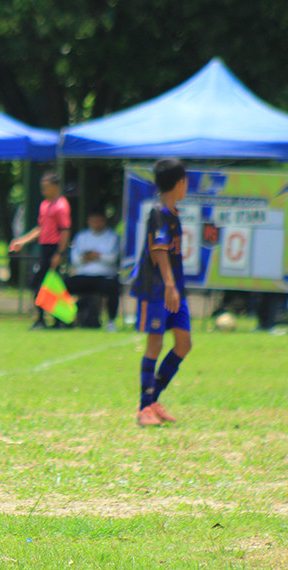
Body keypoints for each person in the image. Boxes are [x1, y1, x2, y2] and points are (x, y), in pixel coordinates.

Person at [131, 159, 191, 427]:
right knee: (155, 343)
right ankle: (144, 407)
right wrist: (168, 285)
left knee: (183, 343)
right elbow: (158, 251)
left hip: (175, 288)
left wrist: (175, 286)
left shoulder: (173, 213)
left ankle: (153, 399)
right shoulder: (157, 213)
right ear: (180, 183)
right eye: (186, 180)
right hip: (157, 290)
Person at [8, 171, 72, 328]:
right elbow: (40, 228)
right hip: (44, 247)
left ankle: (51, 319)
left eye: (46, 187)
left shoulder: (61, 206)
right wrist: (22, 241)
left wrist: (59, 253)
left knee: (48, 284)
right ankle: (49, 319)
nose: (43, 191)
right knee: (42, 283)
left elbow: (65, 230)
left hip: (54, 248)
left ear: (55, 187)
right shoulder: (44, 205)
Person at [66, 208, 120, 330]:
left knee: (113, 287)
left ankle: (111, 321)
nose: (96, 224)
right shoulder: (81, 236)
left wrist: (95, 256)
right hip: (84, 275)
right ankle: (63, 320)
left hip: (104, 276)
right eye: (93, 221)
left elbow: (112, 258)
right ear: (88, 222)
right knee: (63, 285)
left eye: (99, 221)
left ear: (104, 221)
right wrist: (92, 257)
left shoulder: (112, 237)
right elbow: (75, 260)